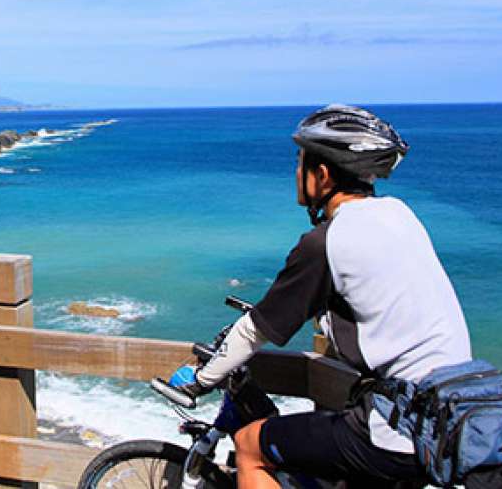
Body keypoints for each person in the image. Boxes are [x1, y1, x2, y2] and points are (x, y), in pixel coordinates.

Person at [178, 104, 472, 488]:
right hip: (451, 418)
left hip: (397, 428)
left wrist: (200, 379)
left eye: (300, 163)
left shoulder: (327, 241)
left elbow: (256, 330)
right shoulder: (401, 215)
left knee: (250, 446)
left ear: (322, 174)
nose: (295, 174)